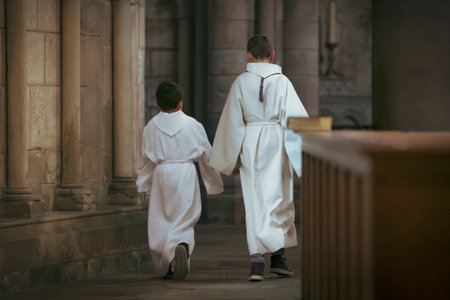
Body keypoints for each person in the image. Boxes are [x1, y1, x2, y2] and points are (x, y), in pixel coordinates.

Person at [209, 35, 308, 281]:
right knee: (279, 198)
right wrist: (306, 156)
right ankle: (278, 257)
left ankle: (257, 261)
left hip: (251, 143)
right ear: (272, 54)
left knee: (255, 201)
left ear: (248, 54)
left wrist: (230, 159)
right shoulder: (283, 82)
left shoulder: (241, 81)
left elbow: (232, 122)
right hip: (277, 141)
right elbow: (297, 119)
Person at [137, 81, 223, 280]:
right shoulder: (193, 125)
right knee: (184, 217)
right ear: (181, 103)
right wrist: (214, 179)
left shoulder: (151, 127)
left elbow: (146, 157)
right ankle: (182, 244)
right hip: (186, 173)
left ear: (158, 105)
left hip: (162, 172)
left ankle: (166, 264)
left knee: (160, 219)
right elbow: (207, 156)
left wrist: (143, 181)